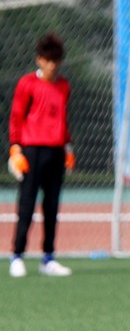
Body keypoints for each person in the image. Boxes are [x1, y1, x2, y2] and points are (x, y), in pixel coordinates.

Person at [8, 32, 76, 278]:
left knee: (52, 206)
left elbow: (61, 120)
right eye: (48, 60)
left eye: (56, 61)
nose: (52, 65)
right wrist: (15, 148)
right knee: (26, 205)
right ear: (39, 60)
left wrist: (68, 147)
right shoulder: (27, 84)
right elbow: (16, 117)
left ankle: (48, 258)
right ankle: (17, 256)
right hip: (32, 150)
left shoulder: (64, 86)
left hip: (56, 151)